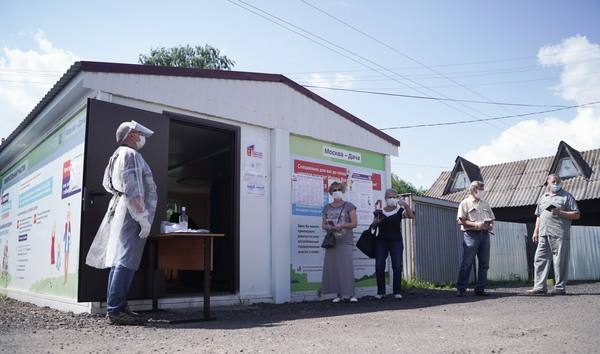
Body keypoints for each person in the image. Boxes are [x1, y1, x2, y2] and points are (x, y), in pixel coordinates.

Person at [86, 120, 157, 325]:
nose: (142, 137)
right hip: (130, 212)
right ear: (131, 135)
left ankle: (119, 305)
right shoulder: (131, 155)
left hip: (121, 209)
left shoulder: (117, 155)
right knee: (125, 260)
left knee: (120, 259)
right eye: (138, 133)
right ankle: (115, 310)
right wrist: (142, 217)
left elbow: (109, 184)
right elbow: (133, 187)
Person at [527, 174, 580, 296]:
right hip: (543, 233)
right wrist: (536, 231)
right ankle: (540, 287)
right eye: (553, 182)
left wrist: (560, 212)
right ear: (548, 183)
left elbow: (577, 215)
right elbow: (539, 216)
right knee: (539, 259)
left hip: (559, 233)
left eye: (558, 182)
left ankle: (560, 288)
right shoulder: (543, 197)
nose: (556, 184)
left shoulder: (567, 196)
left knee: (560, 261)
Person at [372, 189, 414, 300]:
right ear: (385, 199)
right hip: (381, 241)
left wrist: (405, 204)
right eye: (389, 197)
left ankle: (397, 291)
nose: (392, 199)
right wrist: (376, 222)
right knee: (379, 266)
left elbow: (410, 216)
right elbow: (373, 225)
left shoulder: (400, 211)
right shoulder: (379, 211)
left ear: (397, 198)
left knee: (397, 266)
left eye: (394, 197)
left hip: (396, 241)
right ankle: (381, 292)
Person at [321, 181, 358, 303]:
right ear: (331, 193)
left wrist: (341, 225)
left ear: (342, 191)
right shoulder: (326, 207)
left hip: (345, 241)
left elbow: (354, 223)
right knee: (335, 268)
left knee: (346, 268)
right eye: (334, 190)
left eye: (339, 189)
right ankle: (339, 294)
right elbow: (323, 224)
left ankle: (351, 294)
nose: (337, 192)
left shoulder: (349, 206)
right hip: (332, 241)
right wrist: (329, 227)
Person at [456, 181, 495, 297]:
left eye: (483, 188)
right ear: (473, 190)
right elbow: (460, 220)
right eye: (480, 188)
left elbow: (491, 219)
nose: (482, 191)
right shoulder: (465, 203)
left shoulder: (485, 204)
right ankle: (461, 289)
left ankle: (480, 289)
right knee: (467, 263)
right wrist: (475, 224)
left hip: (485, 235)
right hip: (471, 235)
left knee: (484, 264)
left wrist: (489, 225)